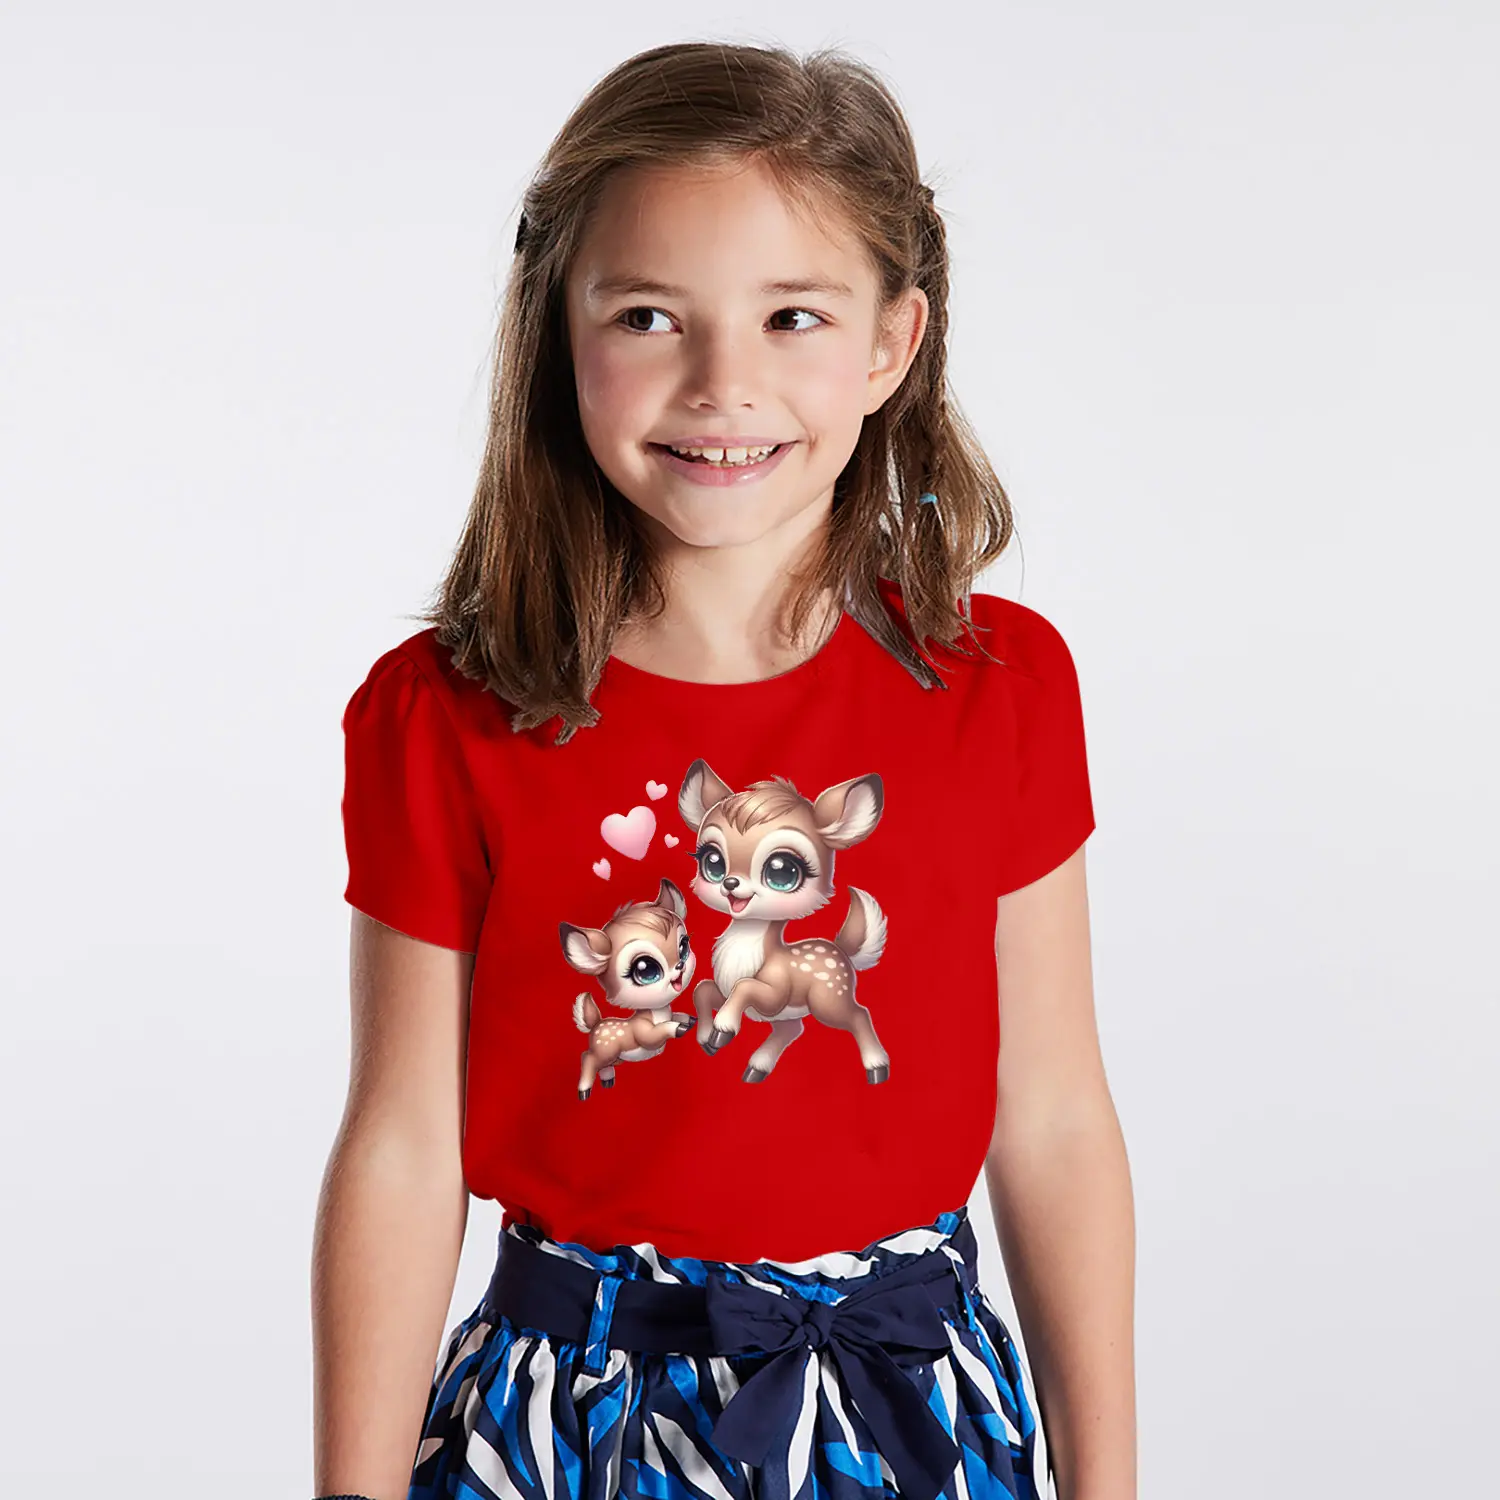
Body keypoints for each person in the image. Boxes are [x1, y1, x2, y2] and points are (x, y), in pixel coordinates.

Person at [311, 39, 1135, 1500]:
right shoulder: (443, 717)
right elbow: (401, 1147)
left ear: (891, 344)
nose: (721, 384)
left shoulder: (1001, 690)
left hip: (912, 1412)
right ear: (557, 335)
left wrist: (1108, 1482)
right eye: (648, 315)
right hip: (562, 1427)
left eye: (791, 316)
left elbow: (1056, 1115)